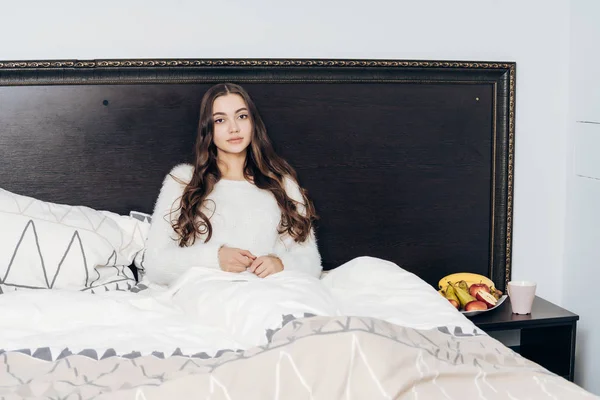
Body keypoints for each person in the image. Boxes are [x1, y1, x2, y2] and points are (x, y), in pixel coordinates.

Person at [143, 83, 322, 286]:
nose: (234, 128)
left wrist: (281, 264)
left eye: (242, 116)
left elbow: (312, 261)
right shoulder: (184, 180)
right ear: (207, 128)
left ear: (253, 122)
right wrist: (215, 258)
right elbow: (155, 264)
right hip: (207, 290)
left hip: (270, 290)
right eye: (220, 120)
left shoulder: (282, 183)